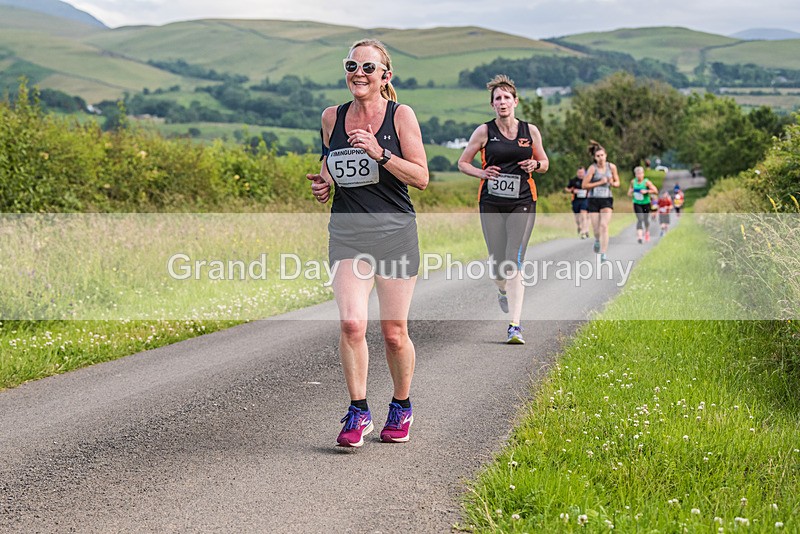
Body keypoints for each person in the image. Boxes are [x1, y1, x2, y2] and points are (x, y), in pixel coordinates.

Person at [306, 39, 429, 448]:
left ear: (385, 77)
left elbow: (421, 177)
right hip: (347, 231)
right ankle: (358, 412)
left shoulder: (401, 116)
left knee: (394, 332)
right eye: (351, 65)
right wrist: (325, 181)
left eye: (368, 67)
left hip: (394, 233)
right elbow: (330, 160)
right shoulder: (331, 116)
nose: (358, 73)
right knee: (351, 323)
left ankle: (401, 404)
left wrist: (380, 153)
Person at [457, 74, 549, 345]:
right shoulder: (484, 132)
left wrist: (536, 166)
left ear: (515, 101)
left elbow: (544, 161)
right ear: (493, 105)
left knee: (514, 261)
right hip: (491, 203)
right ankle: (502, 289)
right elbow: (463, 163)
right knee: (498, 265)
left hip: (523, 201)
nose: (502, 102)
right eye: (497, 98)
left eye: (507, 97)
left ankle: (515, 326)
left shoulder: (530, 131)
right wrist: (481, 173)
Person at [582, 140, 620, 262]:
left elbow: (617, 182)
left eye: (602, 155)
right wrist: (600, 182)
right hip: (593, 200)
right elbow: (584, 185)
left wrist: (612, 183)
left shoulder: (611, 167)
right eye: (598, 156)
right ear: (594, 157)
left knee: (604, 225)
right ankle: (597, 240)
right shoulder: (592, 169)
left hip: (607, 200)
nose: (600, 158)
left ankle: (603, 253)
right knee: (596, 228)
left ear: (606, 155)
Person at [627, 166, 658, 244]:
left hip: (646, 203)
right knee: (640, 219)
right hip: (637, 203)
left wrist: (646, 191)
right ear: (635, 175)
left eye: (640, 174)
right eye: (637, 174)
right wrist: (631, 191)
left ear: (643, 174)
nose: (639, 175)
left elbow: (655, 191)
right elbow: (629, 193)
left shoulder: (646, 182)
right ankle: (640, 237)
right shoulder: (633, 182)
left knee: (646, 219)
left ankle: (647, 232)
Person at [566, 167, 589, 239]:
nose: (580, 174)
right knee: (577, 217)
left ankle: (584, 231)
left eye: (582, 173)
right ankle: (579, 226)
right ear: (577, 173)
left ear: (585, 173)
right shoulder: (573, 180)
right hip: (576, 200)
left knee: (583, 214)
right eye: (579, 173)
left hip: (585, 200)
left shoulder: (588, 180)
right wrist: (572, 191)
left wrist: (589, 192)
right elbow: (567, 188)